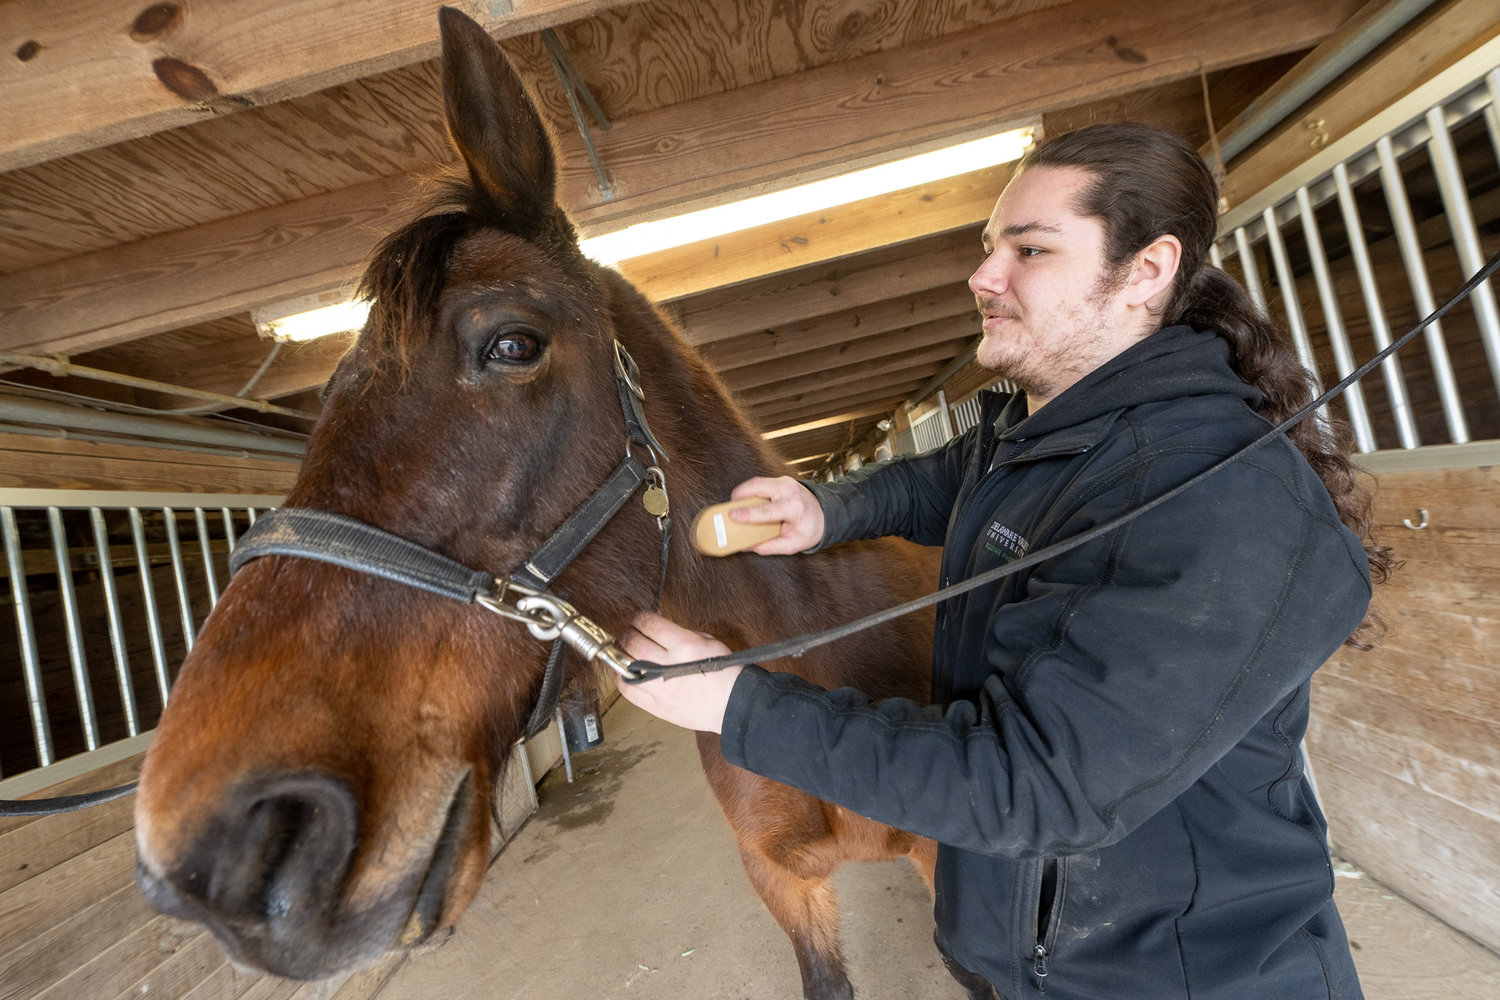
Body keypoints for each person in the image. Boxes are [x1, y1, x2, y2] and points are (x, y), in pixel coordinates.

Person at [617, 122, 1391, 999]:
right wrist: (826, 508)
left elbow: (1037, 787)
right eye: (991, 249)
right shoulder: (1057, 430)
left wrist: (733, 701)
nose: (984, 276)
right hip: (1032, 966)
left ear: (1146, 270)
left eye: (1029, 249)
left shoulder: (1224, 504)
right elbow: (953, 477)